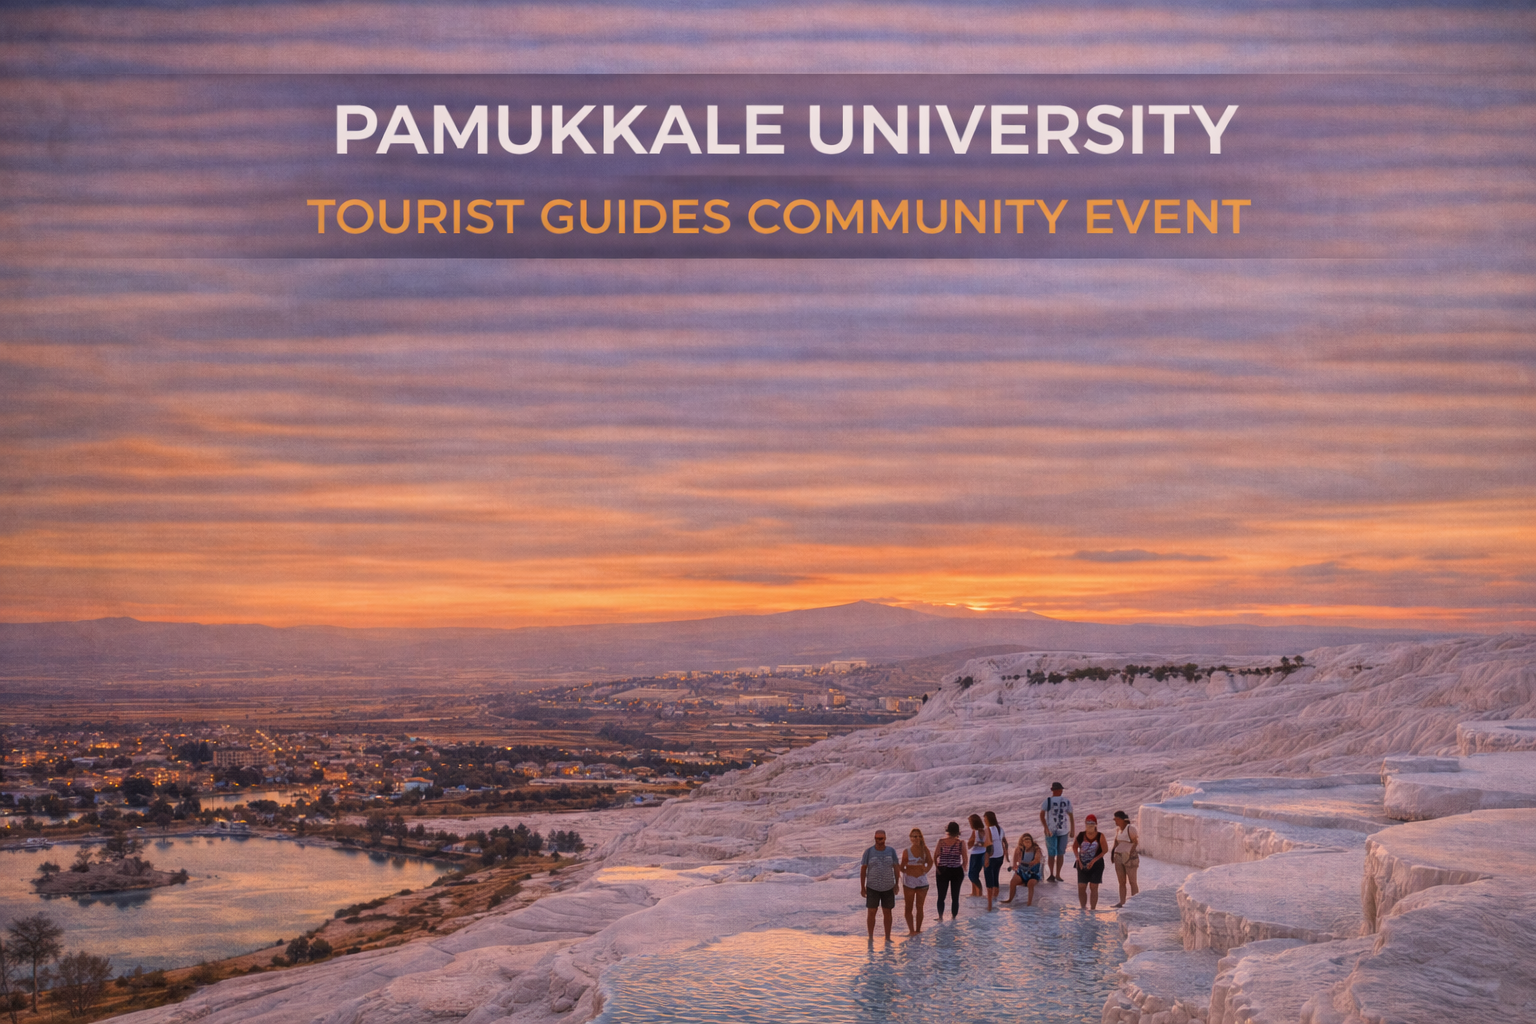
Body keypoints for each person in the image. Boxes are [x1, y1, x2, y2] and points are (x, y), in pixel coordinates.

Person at [860, 829, 900, 940]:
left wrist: (897, 883)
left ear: (885, 838)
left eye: (881, 838)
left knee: (887, 912)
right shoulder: (868, 852)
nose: (879, 841)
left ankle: (887, 937)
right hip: (872, 886)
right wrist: (862, 887)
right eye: (877, 838)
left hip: (888, 886)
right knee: (872, 912)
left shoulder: (891, 851)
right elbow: (863, 869)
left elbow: (896, 867)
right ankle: (871, 937)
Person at [1039, 781, 1075, 882]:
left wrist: (1046, 827)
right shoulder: (1058, 801)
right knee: (1057, 853)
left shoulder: (1049, 801)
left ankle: (1055, 874)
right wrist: (1072, 830)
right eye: (1061, 789)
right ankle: (1054, 874)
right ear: (1058, 790)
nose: (1061, 791)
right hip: (1057, 830)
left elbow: (1041, 816)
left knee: (1056, 853)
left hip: (1056, 830)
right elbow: (1071, 816)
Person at [900, 828, 933, 934]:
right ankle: (911, 931)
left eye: (919, 836)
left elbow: (930, 862)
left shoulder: (925, 849)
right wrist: (909, 869)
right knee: (908, 907)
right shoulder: (906, 851)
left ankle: (918, 930)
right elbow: (902, 867)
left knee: (920, 907)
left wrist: (925, 870)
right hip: (909, 881)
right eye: (914, 836)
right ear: (911, 838)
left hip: (922, 881)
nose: (917, 838)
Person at [933, 821, 967, 920]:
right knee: (955, 896)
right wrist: (963, 868)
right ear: (957, 831)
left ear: (947, 830)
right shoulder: (961, 843)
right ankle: (953, 918)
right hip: (957, 870)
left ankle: (940, 917)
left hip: (943, 870)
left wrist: (937, 868)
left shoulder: (941, 842)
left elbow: (935, 856)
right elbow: (965, 859)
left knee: (941, 896)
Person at [1073, 814, 1107, 910]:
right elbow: (1074, 847)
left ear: (1096, 824)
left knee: (1093, 886)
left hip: (1096, 865)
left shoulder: (1100, 836)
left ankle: (1093, 909)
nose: (1090, 825)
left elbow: (1105, 850)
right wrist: (1077, 858)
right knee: (1081, 886)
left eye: (1092, 823)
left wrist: (1094, 860)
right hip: (1082, 863)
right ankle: (1083, 908)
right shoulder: (1081, 835)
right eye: (1088, 823)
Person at [1001, 832, 1044, 906]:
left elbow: (1036, 860)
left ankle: (1029, 903)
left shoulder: (1036, 849)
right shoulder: (1019, 849)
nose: (1027, 843)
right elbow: (1015, 864)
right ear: (1022, 842)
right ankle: (1010, 899)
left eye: (1029, 841)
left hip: (1033, 873)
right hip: (1022, 872)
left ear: (1031, 841)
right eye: (1025, 841)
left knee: (1030, 884)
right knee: (1013, 881)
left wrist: (1025, 862)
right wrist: (1015, 866)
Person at [1111, 810, 1140, 907]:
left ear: (1122, 819)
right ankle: (1122, 902)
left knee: (1132, 881)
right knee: (1121, 882)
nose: (1116, 821)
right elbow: (1116, 842)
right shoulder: (1118, 830)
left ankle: (1135, 902)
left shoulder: (1130, 829)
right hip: (1118, 857)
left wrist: (1130, 854)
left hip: (1129, 857)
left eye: (1117, 819)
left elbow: (1135, 842)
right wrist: (1112, 854)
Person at [983, 810, 1007, 911]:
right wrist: (1007, 855)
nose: (984, 821)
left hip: (991, 857)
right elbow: (1005, 842)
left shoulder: (988, 830)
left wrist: (986, 859)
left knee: (989, 882)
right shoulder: (1000, 829)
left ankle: (989, 907)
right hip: (1000, 856)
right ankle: (995, 900)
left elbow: (987, 846)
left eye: (985, 819)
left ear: (988, 819)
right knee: (996, 877)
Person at [965, 813, 987, 897]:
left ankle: (979, 893)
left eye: (970, 822)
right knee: (972, 874)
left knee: (973, 875)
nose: (969, 824)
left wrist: (977, 844)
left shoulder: (980, 831)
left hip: (979, 854)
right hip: (974, 853)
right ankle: (974, 892)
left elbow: (985, 843)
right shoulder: (975, 831)